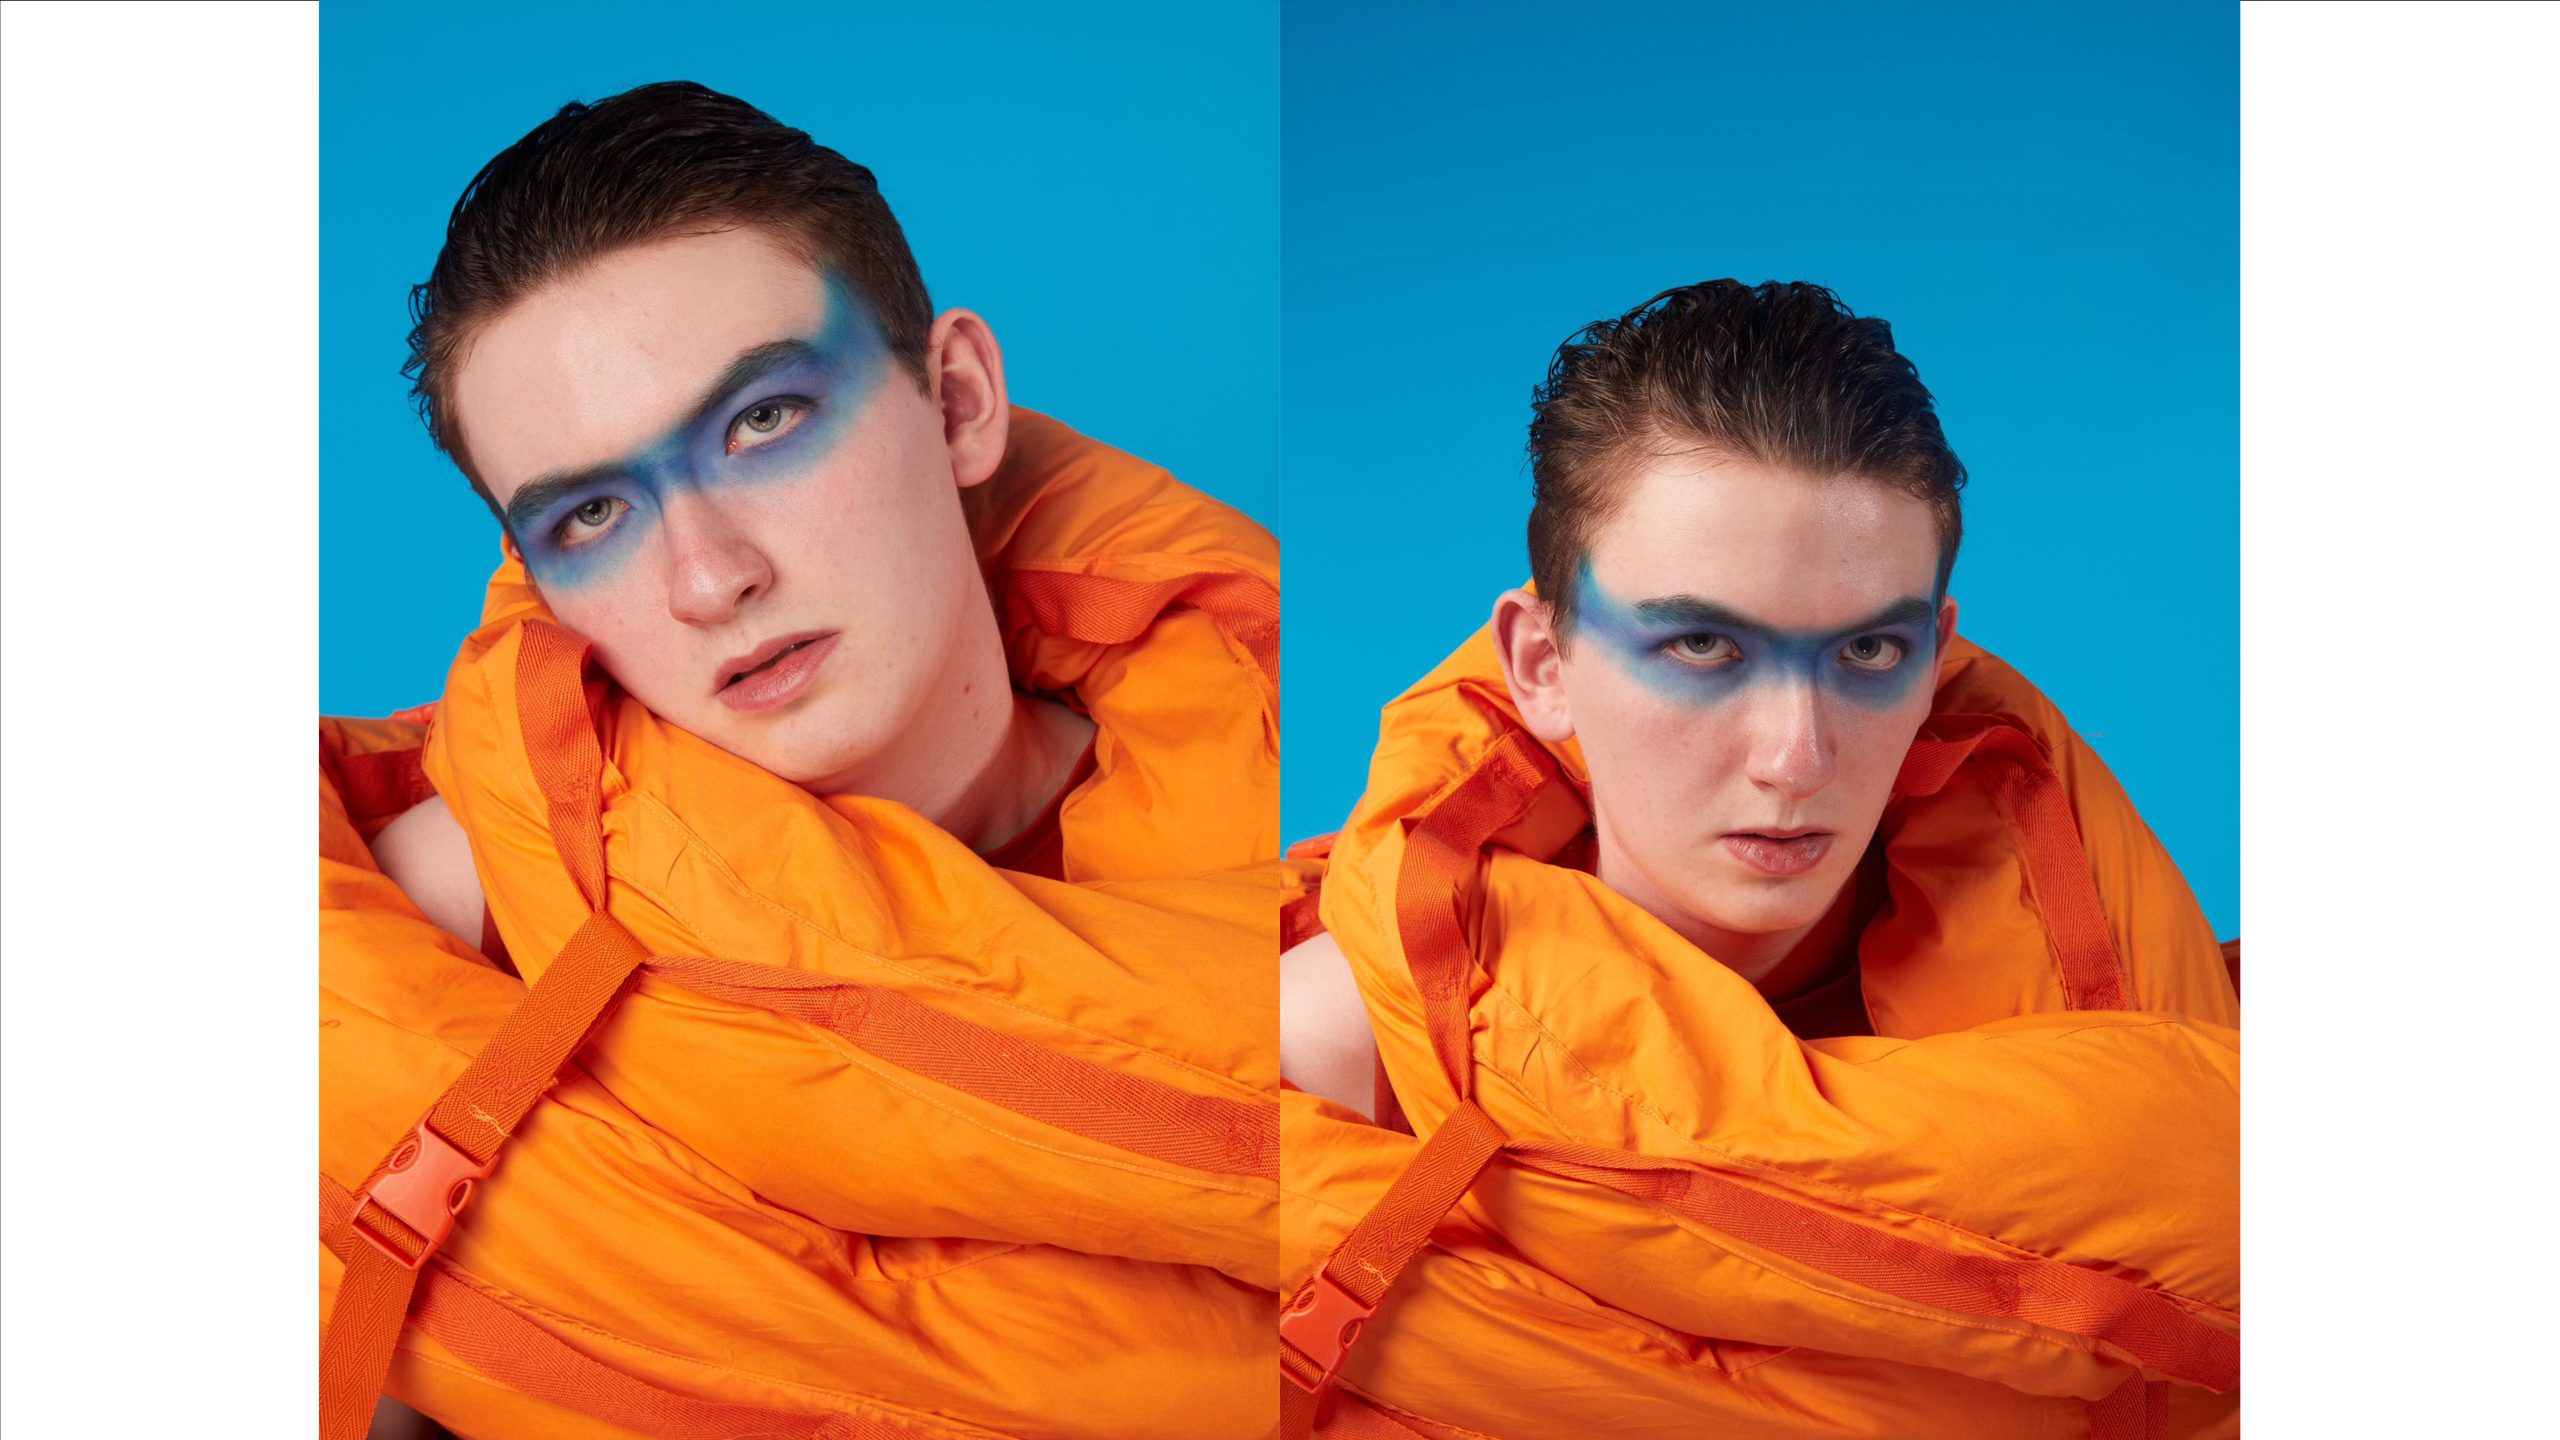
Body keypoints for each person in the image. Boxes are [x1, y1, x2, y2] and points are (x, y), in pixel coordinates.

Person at [321, 82, 1280, 1440]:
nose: (712, 576)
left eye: (762, 423)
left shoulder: (1361, 859)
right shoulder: (449, 953)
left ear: (957, 403)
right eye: (595, 513)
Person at [1278, 280, 2239, 1437]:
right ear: (1541, 664)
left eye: (1866, 650)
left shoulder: (2150, 1028)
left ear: (1934, 659)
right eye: (1701, 644)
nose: (1794, 756)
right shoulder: (1325, 1060)